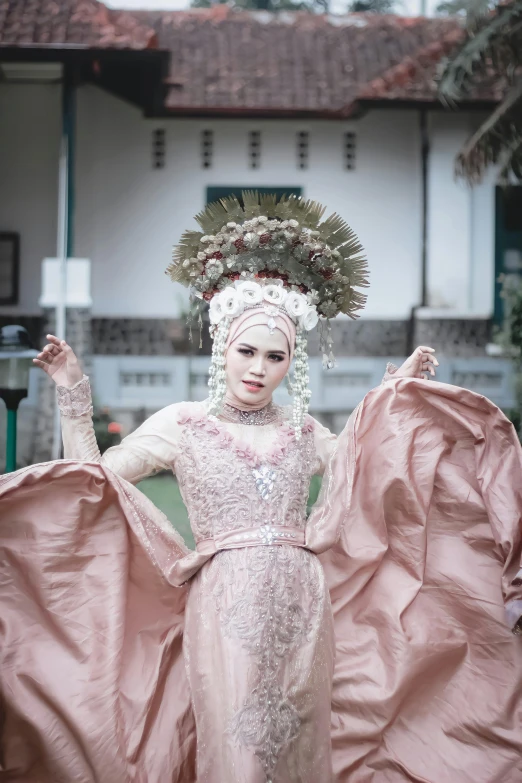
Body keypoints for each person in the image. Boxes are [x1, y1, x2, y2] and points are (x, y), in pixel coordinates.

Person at [1, 193, 521, 783]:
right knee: (239, 746)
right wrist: (73, 392)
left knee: (297, 744)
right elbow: (90, 481)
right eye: (247, 351)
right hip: (223, 601)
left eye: (276, 357)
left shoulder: (302, 429)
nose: (258, 367)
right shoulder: (182, 423)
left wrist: (393, 397)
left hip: (304, 601)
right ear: (223, 348)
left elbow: (367, 460)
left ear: (291, 364)